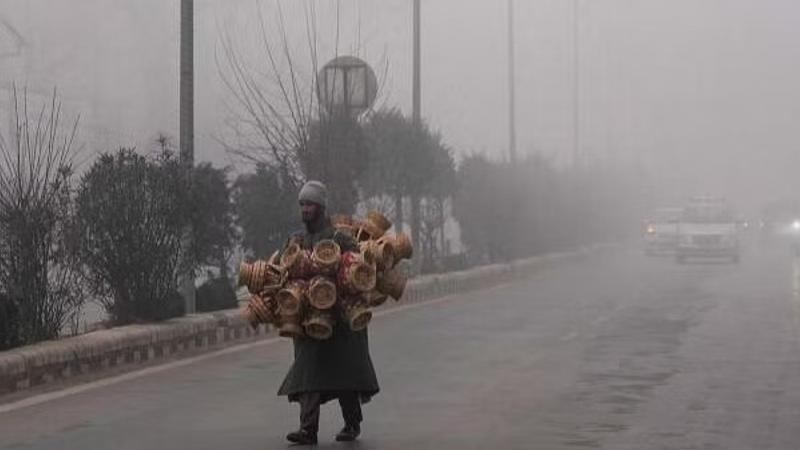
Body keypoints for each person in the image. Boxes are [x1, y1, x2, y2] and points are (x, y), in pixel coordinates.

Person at [277, 180, 380, 445]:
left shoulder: (340, 238)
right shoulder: (296, 241)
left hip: (341, 320)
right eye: (302, 204)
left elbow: (359, 271)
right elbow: (282, 272)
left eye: (310, 204)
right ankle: (307, 429)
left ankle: (352, 423)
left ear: (321, 207)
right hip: (310, 321)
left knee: (344, 373)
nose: (305, 210)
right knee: (309, 370)